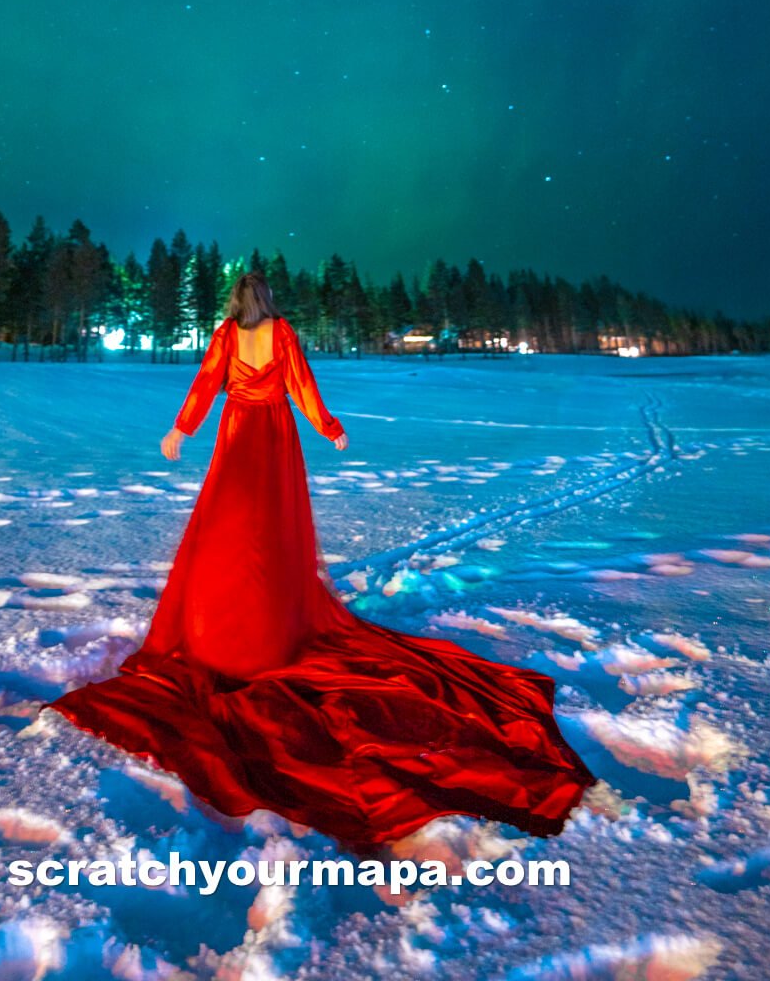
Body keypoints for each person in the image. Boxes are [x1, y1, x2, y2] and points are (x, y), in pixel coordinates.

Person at [44, 270, 594, 852]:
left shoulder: (228, 335)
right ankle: (258, 627)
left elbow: (207, 385)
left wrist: (182, 429)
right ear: (269, 302)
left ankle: (233, 630)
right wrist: (327, 426)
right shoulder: (280, 333)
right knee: (268, 531)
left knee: (233, 527)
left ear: (237, 301)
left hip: (239, 429)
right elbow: (301, 387)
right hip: (272, 431)